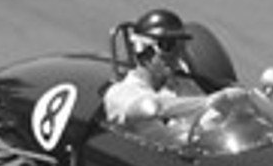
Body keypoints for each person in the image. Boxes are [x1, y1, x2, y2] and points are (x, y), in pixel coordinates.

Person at [104, 8, 244, 128]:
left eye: (181, 45)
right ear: (144, 49)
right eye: (168, 45)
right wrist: (208, 102)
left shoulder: (186, 87)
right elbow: (151, 107)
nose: (177, 54)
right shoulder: (122, 92)